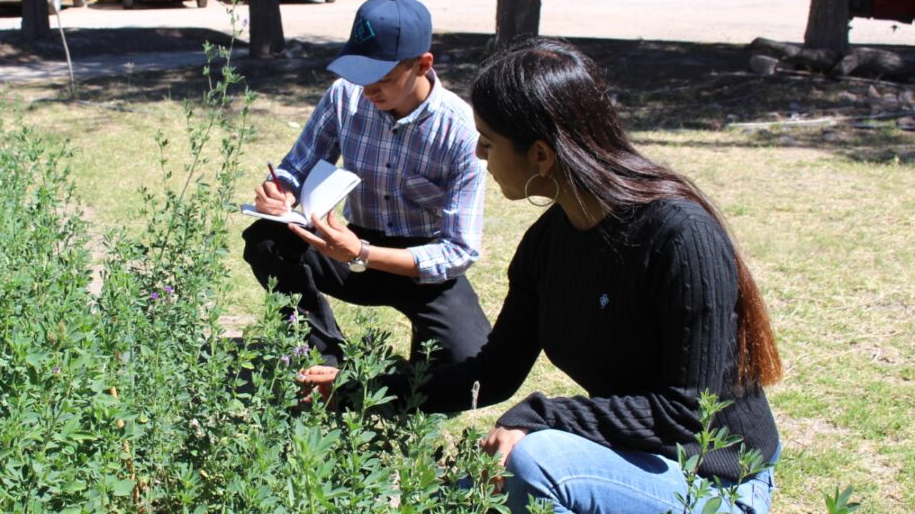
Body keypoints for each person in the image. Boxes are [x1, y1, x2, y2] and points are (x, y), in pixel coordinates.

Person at [298, 38, 784, 514]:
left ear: (541, 155)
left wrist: (542, 418)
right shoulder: (548, 243)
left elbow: (687, 413)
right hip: (629, 460)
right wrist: (361, 385)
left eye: (488, 141)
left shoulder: (679, 237)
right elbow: (492, 374)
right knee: (453, 494)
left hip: (714, 482)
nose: (479, 154)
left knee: (533, 461)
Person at [243, 0, 490, 368]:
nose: (368, 89)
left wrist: (361, 252)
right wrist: (281, 189)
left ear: (423, 65)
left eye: (383, 79)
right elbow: (298, 165)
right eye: (360, 76)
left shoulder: (461, 132)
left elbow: (459, 251)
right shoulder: (345, 96)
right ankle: (323, 358)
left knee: (469, 360)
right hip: (350, 244)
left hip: (419, 264)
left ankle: (408, 378)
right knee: (266, 240)